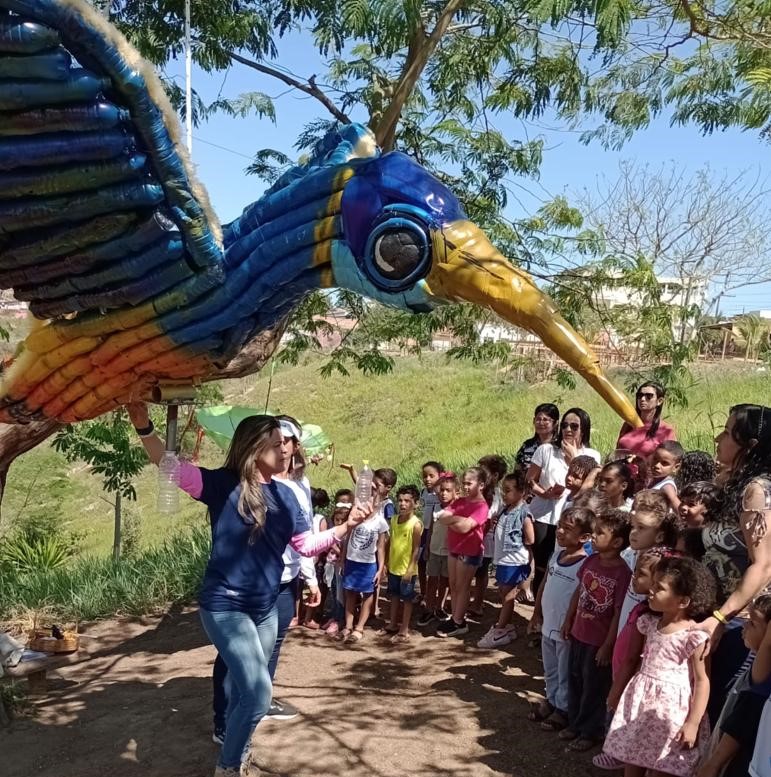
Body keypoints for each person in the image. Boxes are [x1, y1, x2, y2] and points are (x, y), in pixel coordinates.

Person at [126, 404, 370, 777]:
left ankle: (237, 744)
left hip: (266, 607)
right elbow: (168, 466)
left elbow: (304, 544)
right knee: (258, 694)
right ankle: (227, 765)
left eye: (287, 442)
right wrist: (144, 426)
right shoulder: (223, 485)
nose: (286, 448)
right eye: (277, 442)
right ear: (255, 448)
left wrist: (346, 526)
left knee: (249, 689)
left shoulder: (287, 496)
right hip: (226, 606)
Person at [603, 557, 716, 777]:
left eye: (660, 588)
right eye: (652, 584)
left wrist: (692, 723)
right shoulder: (647, 623)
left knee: (664, 763)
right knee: (632, 754)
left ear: (683, 601)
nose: (651, 591)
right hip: (641, 702)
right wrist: (615, 691)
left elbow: (702, 681)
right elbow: (630, 660)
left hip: (672, 713)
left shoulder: (694, 637)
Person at [700, 404, 771, 724]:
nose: (718, 438)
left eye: (728, 433)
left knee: (718, 709)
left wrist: (719, 617)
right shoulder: (738, 483)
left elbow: (763, 565)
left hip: (737, 625)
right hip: (721, 616)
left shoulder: (756, 492)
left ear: (751, 446)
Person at [560, 508, 632, 752]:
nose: (594, 536)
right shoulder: (590, 560)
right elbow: (579, 592)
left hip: (597, 641)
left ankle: (590, 731)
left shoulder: (623, 573)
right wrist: (568, 620)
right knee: (575, 679)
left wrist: (607, 645)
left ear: (618, 542)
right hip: (579, 632)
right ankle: (574, 723)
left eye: (600, 533)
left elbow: (617, 613)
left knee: (594, 686)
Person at [527, 506, 594, 733]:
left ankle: (564, 709)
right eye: (560, 527)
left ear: (584, 537)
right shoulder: (557, 555)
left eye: (568, 529)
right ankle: (552, 699)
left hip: (565, 629)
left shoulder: (585, 564)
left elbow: (580, 597)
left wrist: (570, 621)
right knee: (551, 668)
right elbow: (544, 584)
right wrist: (536, 613)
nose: (560, 532)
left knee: (565, 670)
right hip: (548, 625)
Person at [526, 408, 601, 596]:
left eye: (574, 426)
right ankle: (538, 606)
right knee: (543, 565)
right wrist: (544, 493)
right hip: (544, 515)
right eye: (565, 425)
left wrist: (574, 459)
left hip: (572, 519)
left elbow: (589, 487)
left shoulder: (593, 454)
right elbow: (529, 480)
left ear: (583, 429)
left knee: (567, 563)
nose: (568, 429)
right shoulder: (546, 449)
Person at [699, 595, 771, 777]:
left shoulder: (762, 674)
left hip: (742, 762)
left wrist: (713, 764)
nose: (744, 626)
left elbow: (742, 720)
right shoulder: (752, 667)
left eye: (753, 623)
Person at [477, 470, 534, 648]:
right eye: (503, 490)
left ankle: (501, 628)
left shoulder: (523, 513)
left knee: (508, 594)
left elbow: (530, 538)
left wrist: (524, 548)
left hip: (514, 560)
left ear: (521, 492)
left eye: (508, 490)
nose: (504, 494)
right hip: (503, 559)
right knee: (503, 591)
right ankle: (506, 624)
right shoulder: (505, 509)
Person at [435, 467, 490, 638]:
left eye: (469, 483)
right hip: (454, 548)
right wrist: (457, 520)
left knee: (463, 586)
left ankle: (459, 621)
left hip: (470, 550)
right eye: (464, 483)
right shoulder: (460, 502)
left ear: (481, 485)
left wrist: (453, 521)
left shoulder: (481, 506)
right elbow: (442, 516)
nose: (465, 487)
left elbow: (465, 526)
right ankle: (455, 617)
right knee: (454, 585)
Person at [341, 480, 391, 643]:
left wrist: (380, 568)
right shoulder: (355, 516)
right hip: (351, 561)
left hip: (368, 564)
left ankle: (359, 628)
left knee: (367, 595)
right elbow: (347, 538)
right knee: (349, 593)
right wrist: (343, 559)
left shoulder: (380, 521)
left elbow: (381, 547)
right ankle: (348, 626)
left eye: (372, 496)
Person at [379, 485, 423, 642]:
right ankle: (392, 624)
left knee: (407, 599)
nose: (403, 504)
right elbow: (390, 542)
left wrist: (410, 569)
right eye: (400, 501)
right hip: (394, 567)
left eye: (407, 501)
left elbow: (416, 549)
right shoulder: (394, 520)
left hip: (407, 570)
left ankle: (404, 630)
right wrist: (385, 563)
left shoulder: (416, 524)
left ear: (416, 504)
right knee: (394, 596)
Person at [418, 472, 457, 626]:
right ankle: (428, 609)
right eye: (441, 490)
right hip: (434, 550)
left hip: (449, 553)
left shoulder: (456, 509)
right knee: (432, 580)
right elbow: (431, 530)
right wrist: (427, 548)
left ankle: (439, 607)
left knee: (444, 581)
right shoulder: (435, 507)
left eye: (448, 490)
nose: (444, 494)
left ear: (455, 492)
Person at [471, 454, 507, 618]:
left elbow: (487, 520)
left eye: (483, 470)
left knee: (480, 572)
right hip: (474, 538)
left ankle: (477, 604)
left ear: (495, 476)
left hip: (483, 541)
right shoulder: (478, 492)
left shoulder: (496, 497)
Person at [616, 382, 676, 460]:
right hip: (623, 470)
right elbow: (617, 451)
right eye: (640, 395)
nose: (642, 399)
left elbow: (671, 459)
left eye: (649, 396)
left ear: (659, 401)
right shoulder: (628, 424)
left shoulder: (666, 430)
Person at [419, 461, 444, 602]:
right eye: (425, 476)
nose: (427, 479)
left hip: (437, 533)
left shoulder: (441, 494)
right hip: (424, 531)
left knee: (437, 565)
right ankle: (423, 592)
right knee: (421, 563)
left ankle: (438, 596)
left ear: (440, 476)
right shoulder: (423, 493)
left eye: (431, 475)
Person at [514, 402, 560, 471]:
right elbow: (517, 470)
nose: (541, 423)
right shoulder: (527, 446)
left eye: (545, 420)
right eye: (538, 419)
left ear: (555, 423)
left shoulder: (560, 446)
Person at [649, 441, 684, 512]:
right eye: (655, 459)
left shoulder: (667, 487)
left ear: (676, 467)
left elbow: (679, 510)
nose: (657, 465)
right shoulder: (655, 480)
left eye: (664, 463)